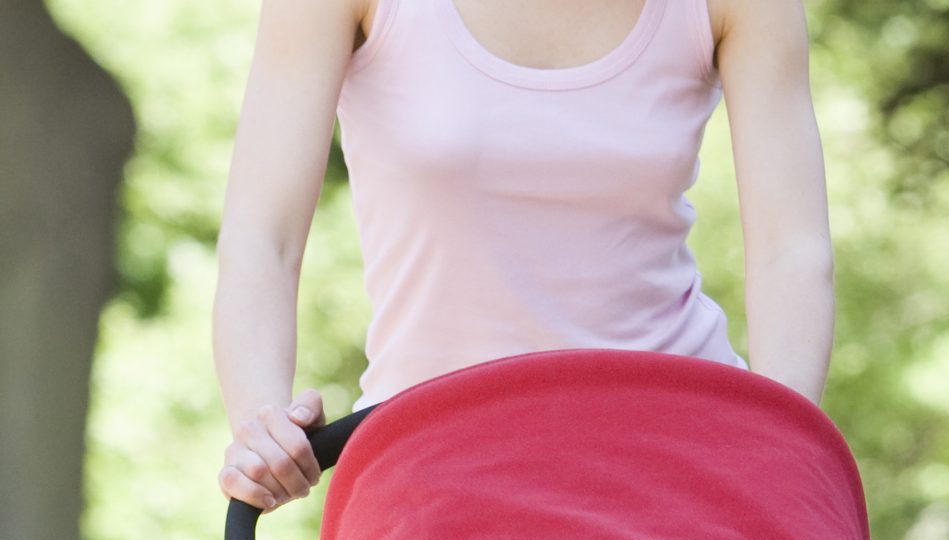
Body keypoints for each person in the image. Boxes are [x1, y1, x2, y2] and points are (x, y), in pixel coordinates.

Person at [214, 0, 832, 511]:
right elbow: (262, 236)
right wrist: (261, 424)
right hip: (432, 459)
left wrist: (781, 448)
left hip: (684, 452)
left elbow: (791, 249)